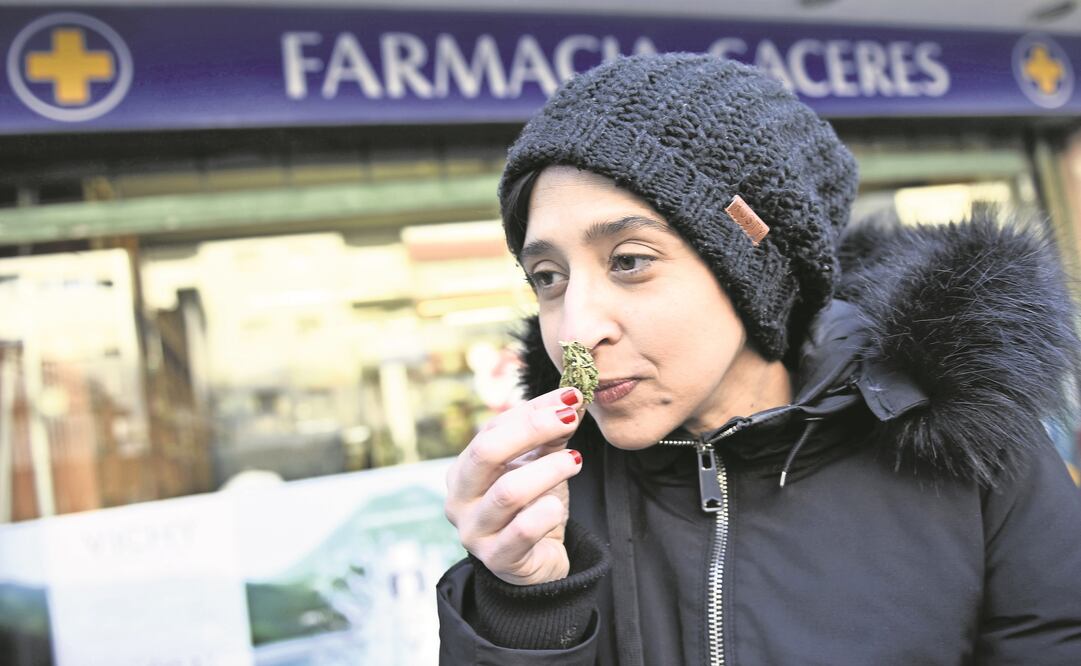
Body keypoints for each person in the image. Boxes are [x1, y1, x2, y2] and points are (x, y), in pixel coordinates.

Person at [436, 53, 1081, 664]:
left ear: (757, 271)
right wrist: (524, 608)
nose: (576, 328)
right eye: (548, 276)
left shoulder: (971, 447)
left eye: (629, 261)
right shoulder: (548, 504)